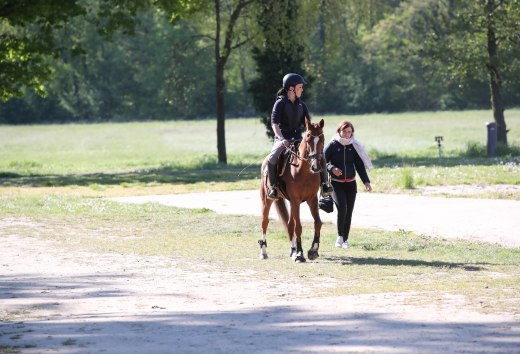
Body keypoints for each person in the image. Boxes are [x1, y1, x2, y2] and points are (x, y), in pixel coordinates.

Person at [266, 73, 333, 200]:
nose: (302, 90)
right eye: (300, 87)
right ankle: (273, 188)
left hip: (298, 139)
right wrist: (281, 139)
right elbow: (274, 125)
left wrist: (316, 129)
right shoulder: (279, 103)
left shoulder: (302, 105)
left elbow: (308, 124)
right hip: (282, 139)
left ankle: (324, 185)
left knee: (321, 155)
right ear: (291, 88)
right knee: (272, 158)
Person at [324, 120, 373, 249]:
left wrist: (366, 182)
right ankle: (339, 237)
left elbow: (359, 165)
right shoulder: (333, 145)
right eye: (344, 131)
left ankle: (346, 239)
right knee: (343, 207)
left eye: (349, 132)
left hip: (351, 184)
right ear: (339, 131)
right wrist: (331, 168)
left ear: (352, 133)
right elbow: (322, 161)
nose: (346, 134)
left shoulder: (354, 146)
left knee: (349, 211)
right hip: (336, 184)